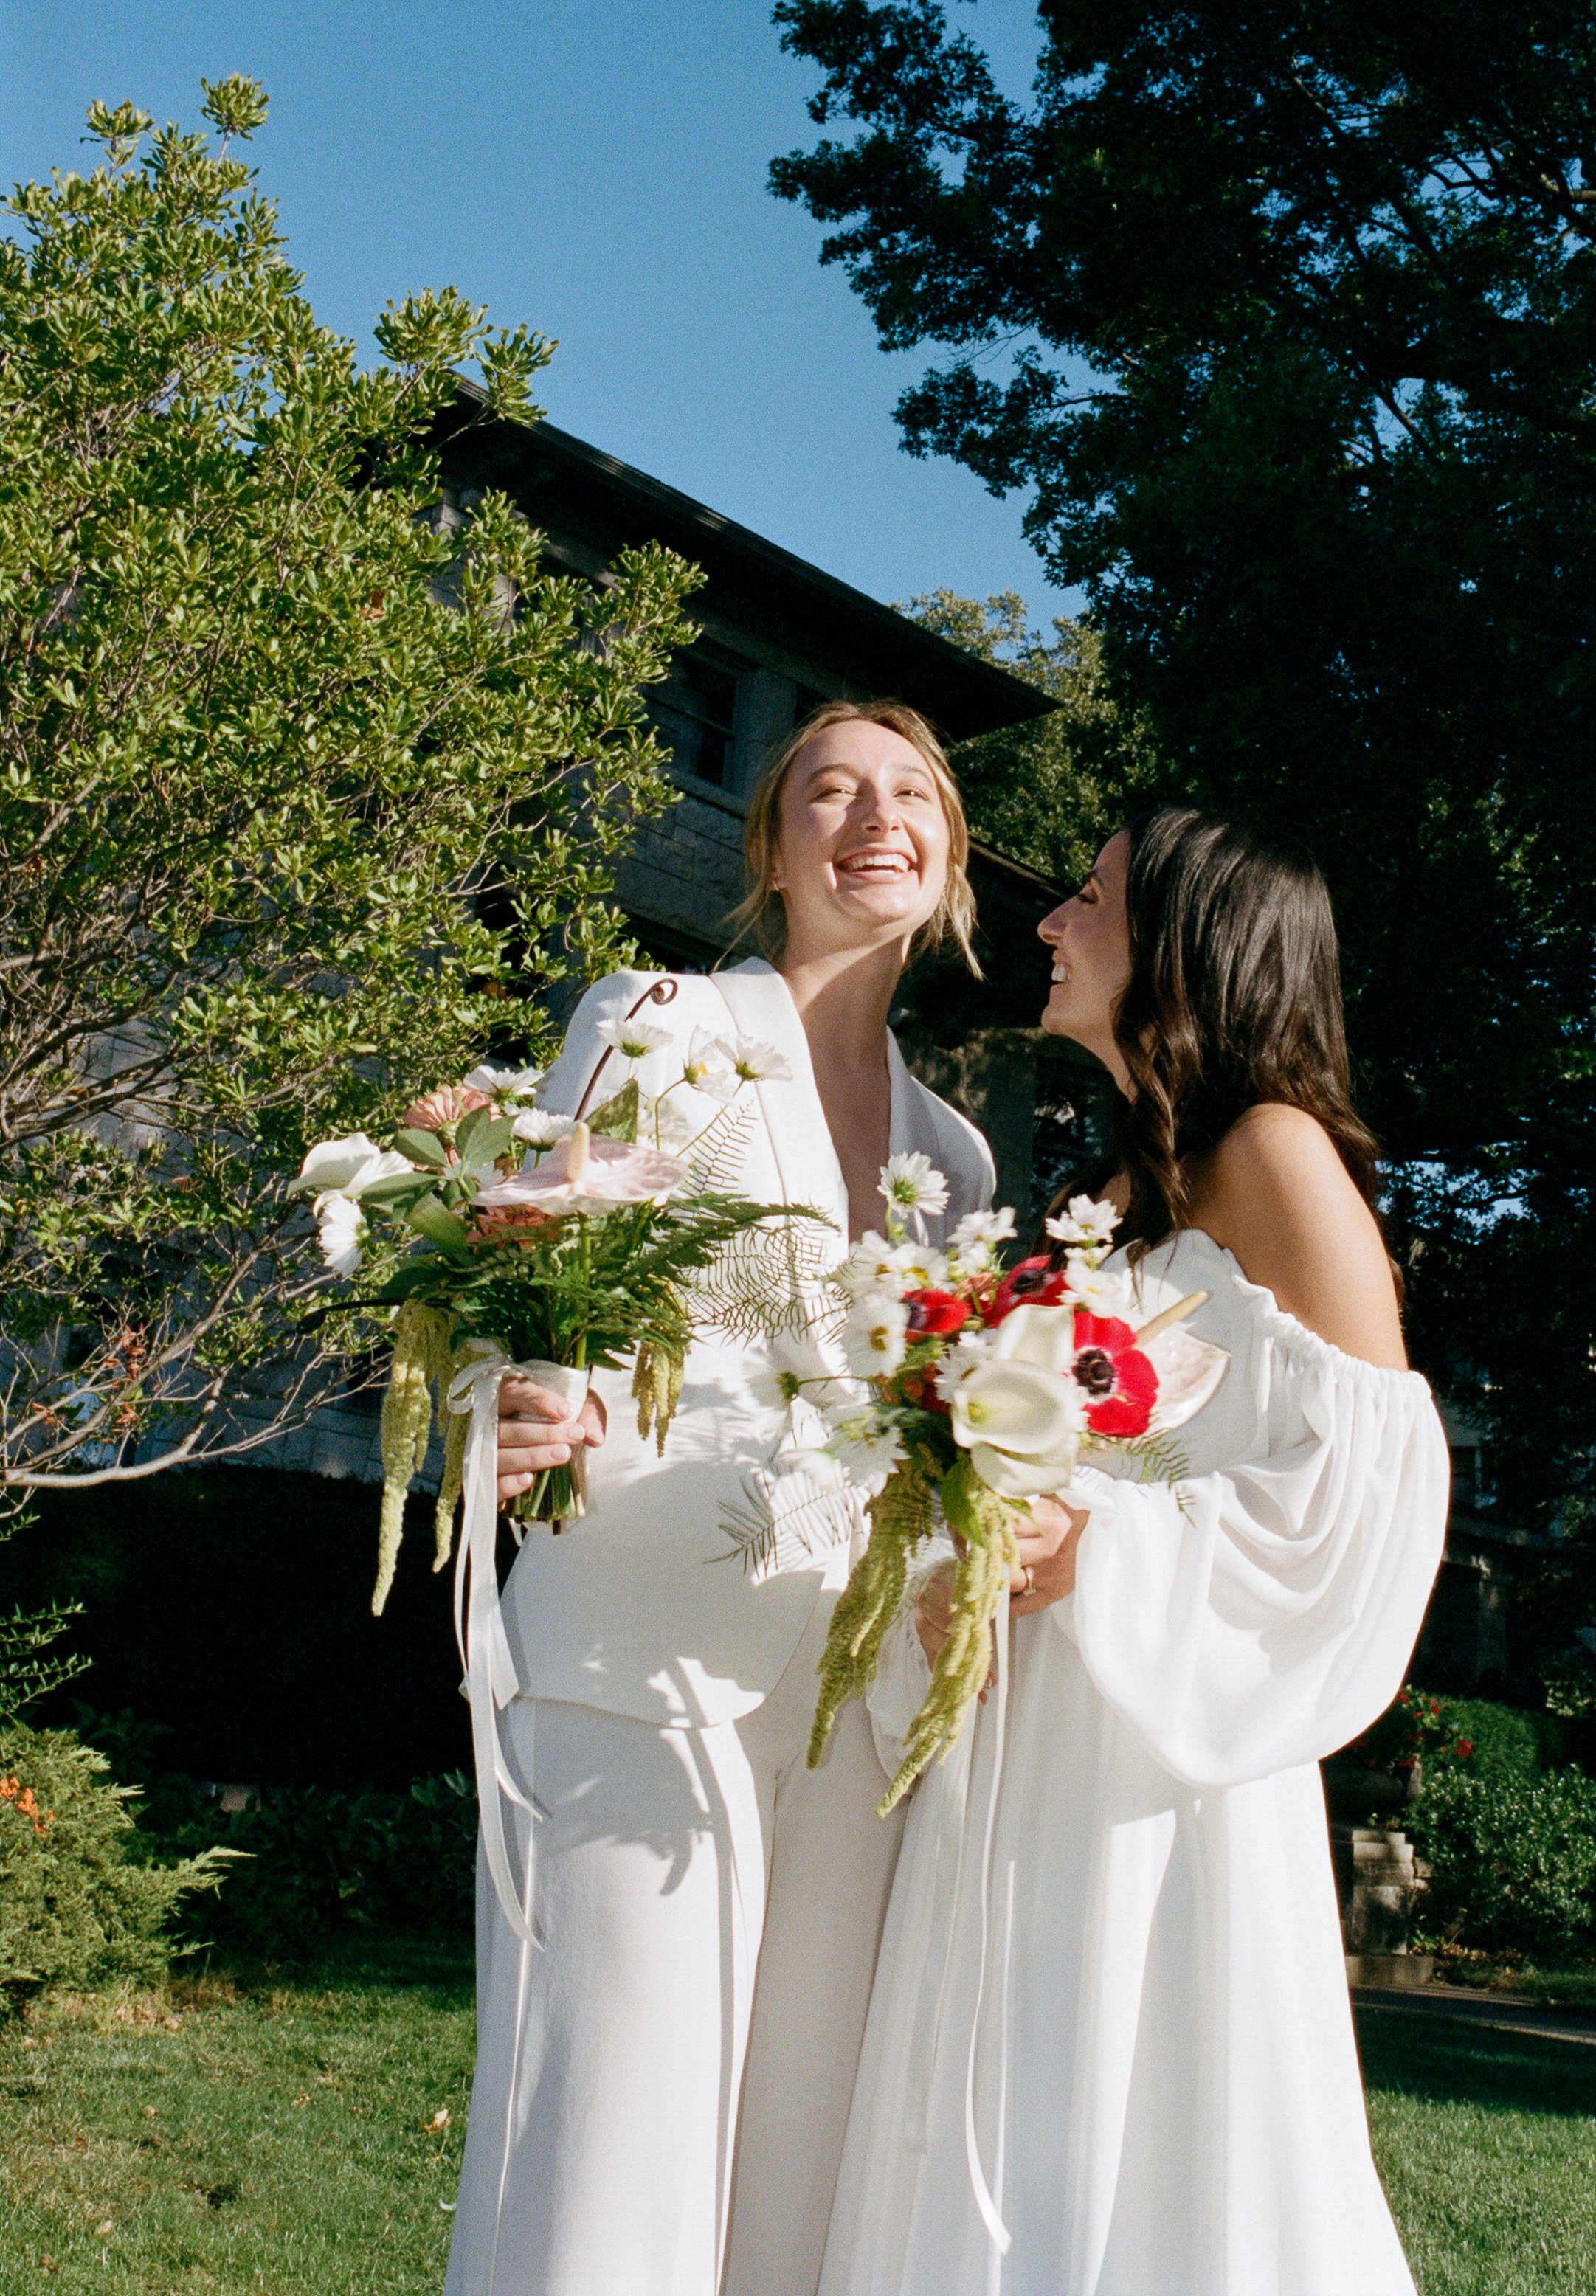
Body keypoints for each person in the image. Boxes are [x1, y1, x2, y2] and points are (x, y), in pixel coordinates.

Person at [821, 808, 1451, 2296]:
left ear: (1189, 939)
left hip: (1166, 1762)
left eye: (1090, 899)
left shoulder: (1277, 1155)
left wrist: (1101, 1541)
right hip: (1028, 1739)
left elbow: (1371, 1495)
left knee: (1142, 2115)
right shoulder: (1105, 1202)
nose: (1050, 925)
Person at [443, 702, 995, 2296]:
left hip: (853, 1695)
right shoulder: (661, 1013)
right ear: (772, 848)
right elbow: (524, 1261)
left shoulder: (955, 1151)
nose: (871, 816)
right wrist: (513, 1398)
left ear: (948, 854)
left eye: (910, 792)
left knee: (802, 2172)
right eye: (828, 791)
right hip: (631, 1646)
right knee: (605, 2144)